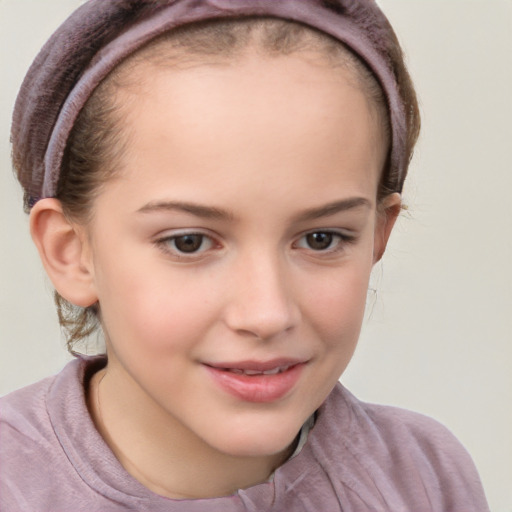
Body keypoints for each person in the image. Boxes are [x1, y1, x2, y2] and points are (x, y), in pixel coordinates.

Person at [0, 0, 490, 510]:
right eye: (188, 242)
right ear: (71, 251)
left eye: (322, 238)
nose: (267, 314)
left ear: (376, 237)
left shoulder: (424, 478)